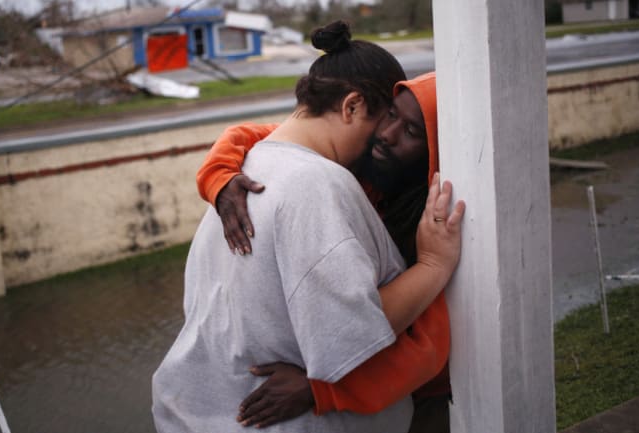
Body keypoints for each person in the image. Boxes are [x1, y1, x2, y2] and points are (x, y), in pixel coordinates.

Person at [152, 21, 464, 433]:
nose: (381, 139)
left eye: (406, 129)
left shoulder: (247, 168)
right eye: (382, 121)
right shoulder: (318, 182)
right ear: (352, 107)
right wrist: (433, 266)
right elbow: (351, 333)